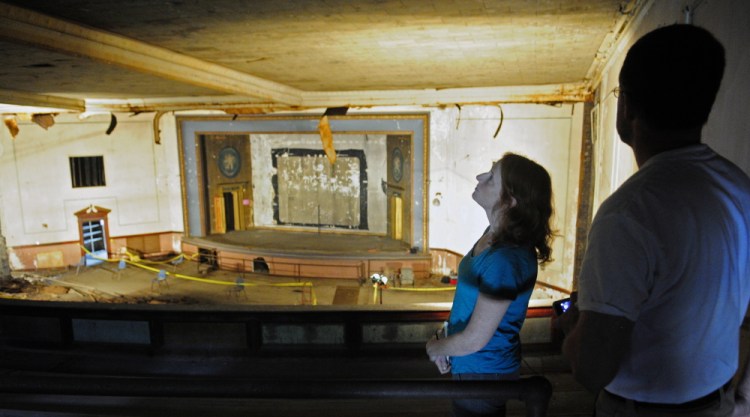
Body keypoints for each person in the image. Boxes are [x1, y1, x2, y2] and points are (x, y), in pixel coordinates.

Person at [560, 24, 750, 417]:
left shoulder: (627, 214)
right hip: (718, 404)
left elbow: (592, 369)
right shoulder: (739, 188)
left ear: (626, 106)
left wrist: (573, 330)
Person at [426, 152, 555, 416]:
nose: (479, 177)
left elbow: (475, 339)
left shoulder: (505, 259)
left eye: (492, 177)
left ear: (510, 201)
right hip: (475, 367)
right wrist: (447, 343)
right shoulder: (494, 235)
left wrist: (433, 347)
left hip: (484, 372)